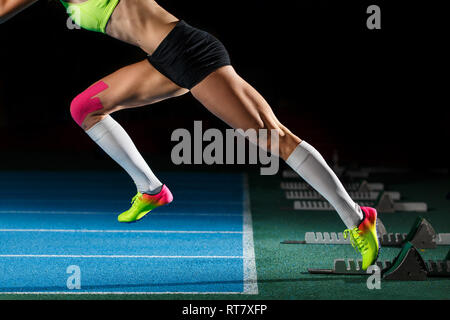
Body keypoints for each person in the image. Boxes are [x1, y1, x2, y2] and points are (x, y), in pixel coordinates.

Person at [0, 0, 379, 269]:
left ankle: (358, 218)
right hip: (162, 60)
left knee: (272, 136)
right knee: (85, 108)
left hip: (188, 52)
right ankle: (151, 189)